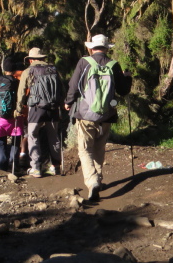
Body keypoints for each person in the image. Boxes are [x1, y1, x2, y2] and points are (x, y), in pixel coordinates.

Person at [65, 34, 132, 201]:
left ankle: (92, 180)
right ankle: (98, 179)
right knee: (99, 147)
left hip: (86, 114)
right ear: (107, 48)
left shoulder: (84, 62)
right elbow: (123, 91)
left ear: (91, 47)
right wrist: (127, 77)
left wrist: (68, 102)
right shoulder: (113, 65)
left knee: (85, 149)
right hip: (107, 114)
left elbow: (73, 85)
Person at [14, 47, 63, 178]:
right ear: (43, 58)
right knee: (54, 136)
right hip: (53, 108)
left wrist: (19, 108)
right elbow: (62, 89)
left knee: (32, 135)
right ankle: (56, 167)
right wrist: (62, 106)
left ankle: (35, 168)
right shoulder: (54, 70)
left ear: (30, 60)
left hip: (36, 108)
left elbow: (21, 92)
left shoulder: (28, 71)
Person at [0, 58, 24, 172]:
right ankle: (13, 164)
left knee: (1, 143)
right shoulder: (17, 82)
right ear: (14, 70)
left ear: (4, 68)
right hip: (14, 117)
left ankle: (2, 166)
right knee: (16, 141)